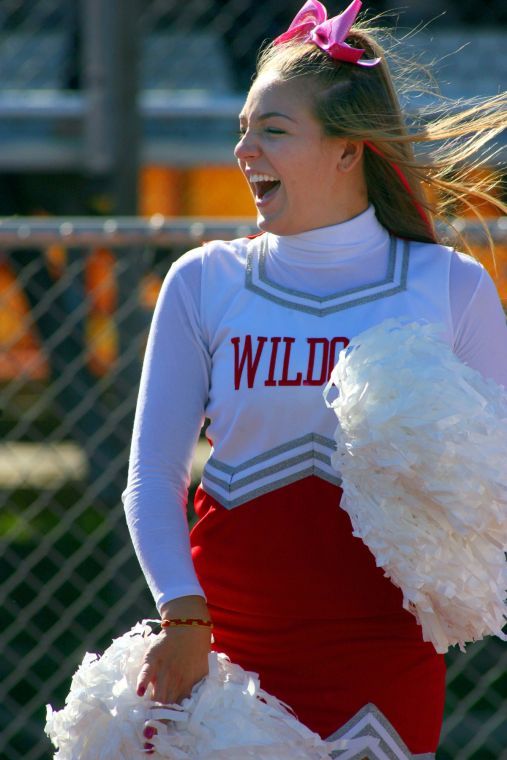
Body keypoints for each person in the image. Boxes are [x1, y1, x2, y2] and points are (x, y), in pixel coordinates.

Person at [122, 1, 507, 755]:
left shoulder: (447, 286)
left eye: (271, 130)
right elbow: (151, 474)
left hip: (381, 651)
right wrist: (182, 615)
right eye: (243, 128)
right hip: (226, 649)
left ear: (346, 151)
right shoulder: (205, 281)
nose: (243, 151)